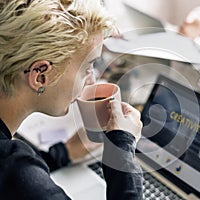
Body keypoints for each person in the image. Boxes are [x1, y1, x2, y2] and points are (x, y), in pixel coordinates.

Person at [0, 0, 143, 199]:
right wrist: (121, 151)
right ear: (40, 75)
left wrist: (62, 153)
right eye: (87, 67)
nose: (92, 79)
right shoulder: (14, 171)